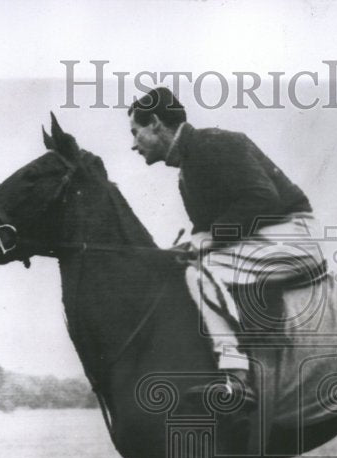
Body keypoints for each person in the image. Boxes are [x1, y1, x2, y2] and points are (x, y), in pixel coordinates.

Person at [127, 87, 325, 411]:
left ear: (156, 123)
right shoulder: (187, 170)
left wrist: (209, 238)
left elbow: (262, 200)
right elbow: (204, 233)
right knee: (188, 267)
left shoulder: (214, 144)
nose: (133, 144)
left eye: (136, 133)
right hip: (270, 238)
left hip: (296, 235)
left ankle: (236, 376)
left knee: (201, 274)